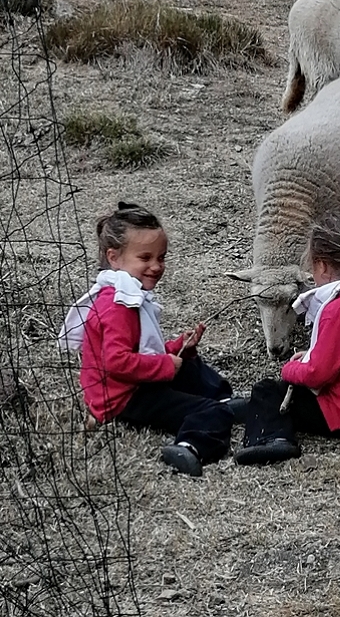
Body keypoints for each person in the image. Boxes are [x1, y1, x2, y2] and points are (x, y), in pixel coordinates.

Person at [59, 202, 244, 477]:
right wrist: (167, 366)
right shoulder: (119, 304)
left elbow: (142, 350)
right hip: (123, 398)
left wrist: (178, 348)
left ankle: (225, 400)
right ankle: (190, 446)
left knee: (189, 364)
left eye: (162, 258)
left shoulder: (126, 293)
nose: (156, 266)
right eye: (145, 258)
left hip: (129, 384)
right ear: (114, 257)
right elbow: (116, 363)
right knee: (206, 411)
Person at [234, 210, 340, 466]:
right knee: (278, 392)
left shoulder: (335, 308)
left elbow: (317, 375)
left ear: (323, 266)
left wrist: (291, 369)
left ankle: (272, 438)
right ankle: (251, 408)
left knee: (268, 389)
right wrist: (310, 355)